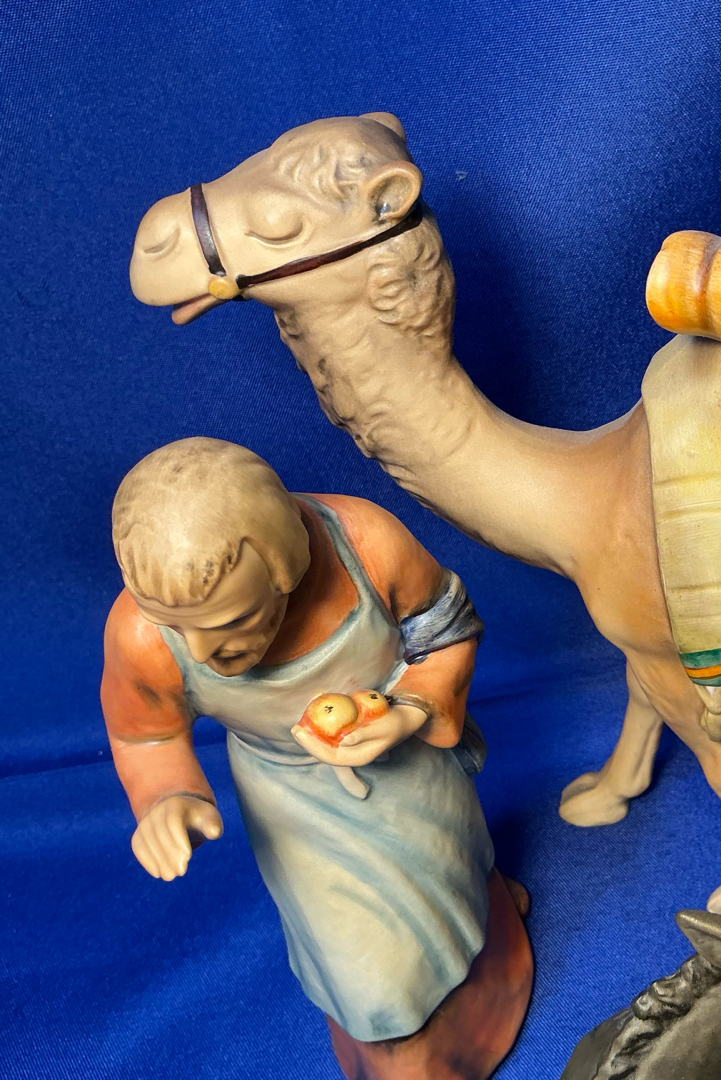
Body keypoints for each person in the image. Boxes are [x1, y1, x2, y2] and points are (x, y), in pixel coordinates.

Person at [100, 437, 529, 1078]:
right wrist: (168, 798)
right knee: (369, 972)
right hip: (296, 807)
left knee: (459, 872)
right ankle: (407, 1050)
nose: (202, 652)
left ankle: (494, 947)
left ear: (284, 572)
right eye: (176, 626)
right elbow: (146, 735)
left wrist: (410, 709)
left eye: (233, 621)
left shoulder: (366, 544)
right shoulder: (141, 637)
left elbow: (446, 626)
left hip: (408, 769)